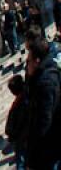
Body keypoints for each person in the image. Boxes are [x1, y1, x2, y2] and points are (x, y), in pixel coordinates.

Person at [25, 38, 61, 169]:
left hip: (48, 150)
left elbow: (43, 121)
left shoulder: (44, 83)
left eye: (28, 61)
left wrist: (35, 158)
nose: (26, 65)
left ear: (36, 61)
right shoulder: (48, 74)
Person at [5, 75, 29, 170]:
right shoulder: (22, 99)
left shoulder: (22, 101)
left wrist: (13, 134)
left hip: (21, 138)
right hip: (20, 138)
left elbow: (18, 121)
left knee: (21, 163)